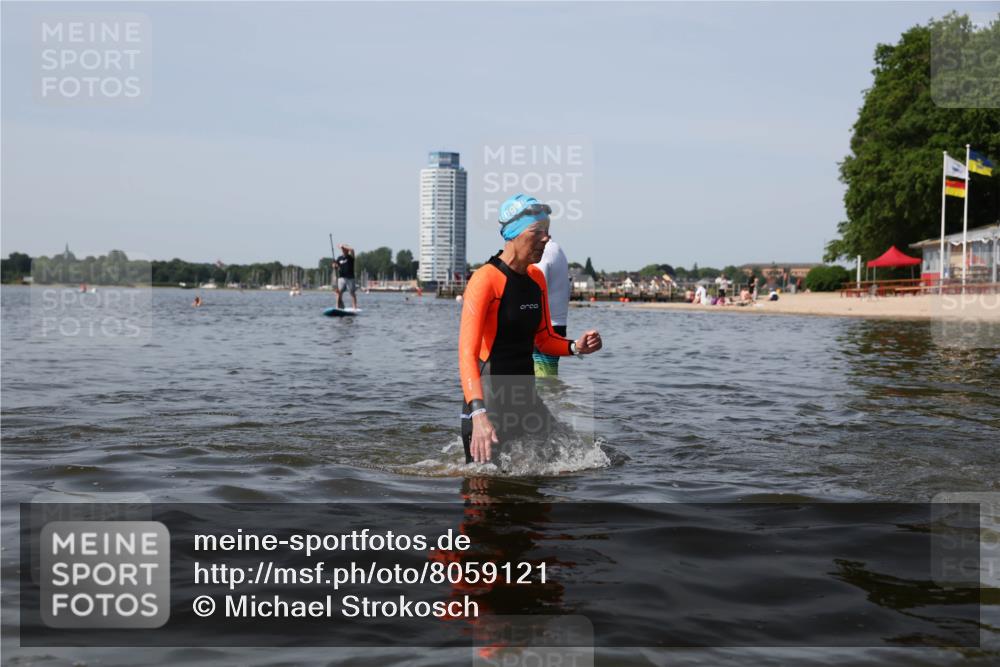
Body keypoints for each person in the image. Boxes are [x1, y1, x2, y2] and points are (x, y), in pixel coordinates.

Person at [459, 194, 603, 465]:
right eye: (538, 231)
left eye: (548, 232)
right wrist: (478, 415)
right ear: (513, 234)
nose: (546, 238)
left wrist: (575, 347)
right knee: (486, 494)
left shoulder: (536, 278)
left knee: (579, 457)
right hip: (489, 404)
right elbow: (466, 356)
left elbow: (545, 339)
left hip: (526, 401)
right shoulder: (484, 280)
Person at [532, 239, 569, 377]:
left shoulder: (543, 252)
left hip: (544, 328)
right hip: (556, 325)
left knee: (541, 382)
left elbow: (535, 290)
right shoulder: (556, 249)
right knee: (548, 379)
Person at [334, 244, 357, 309]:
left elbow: (352, 249)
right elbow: (335, 265)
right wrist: (334, 266)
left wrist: (343, 246)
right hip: (341, 278)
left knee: (352, 293)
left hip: (350, 278)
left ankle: (354, 307)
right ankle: (338, 307)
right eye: (343, 249)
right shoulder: (339, 258)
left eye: (345, 249)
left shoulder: (351, 257)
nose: (343, 250)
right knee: (338, 293)